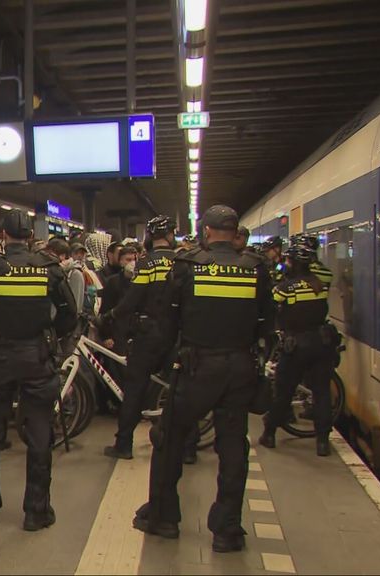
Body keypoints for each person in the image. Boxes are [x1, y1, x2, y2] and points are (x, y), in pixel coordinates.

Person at [133, 205, 271, 553]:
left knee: (169, 437)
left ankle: (164, 516)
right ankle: (227, 529)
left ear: (206, 231)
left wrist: (161, 361)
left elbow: (168, 321)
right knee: (233, 446)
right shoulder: (256, 269)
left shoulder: (188, 265)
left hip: (196, 368)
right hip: (239, 368)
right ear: (234, 231)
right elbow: (268, 323)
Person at [0, 212, 76, 531]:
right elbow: (70, 314)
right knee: (40, 432)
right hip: (36, 357)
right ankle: (36, 511)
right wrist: (47, 335)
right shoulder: (48, 268)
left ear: (2, 235)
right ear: (31, 235)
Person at [102, 216, 177, 460]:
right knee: (179, 388)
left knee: (134, 389)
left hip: (148, 335)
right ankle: (186, 447)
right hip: (176, 334)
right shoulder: (183, 262)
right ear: (169, 235)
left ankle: (124, 444)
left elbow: (132, 299)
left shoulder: (147, 264)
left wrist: (111, 315)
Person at [258, 244, 339, 457]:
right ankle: (322, 442)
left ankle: (270, 433)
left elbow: (270, 307)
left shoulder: (286, 288)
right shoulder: (320, 285)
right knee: (321, 392)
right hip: (321, 344)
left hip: (296, 346)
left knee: (283, 392)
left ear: (292, 263)